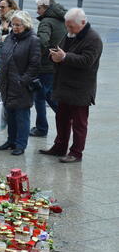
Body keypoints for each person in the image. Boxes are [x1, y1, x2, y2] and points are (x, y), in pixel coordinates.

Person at [40, 8, 103, 163]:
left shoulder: (93, 38)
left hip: (81, 88)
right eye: (67, 26)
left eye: (71, 26)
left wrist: (65, 57)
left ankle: (76, 153)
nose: (68, 29)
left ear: (83, 22)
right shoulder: (70, 34)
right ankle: (59, 147)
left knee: (79, 124)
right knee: (61, 119)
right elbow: (58, 50)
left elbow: (87, 61)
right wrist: (52, 56)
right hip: (64, 86)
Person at [0, 11, 40, 156]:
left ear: (26, 24)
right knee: (10, 114)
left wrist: (23, 80)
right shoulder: (10, 37)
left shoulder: (33, 40)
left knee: (22, 115)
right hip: (7, 83)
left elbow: (34, 64)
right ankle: (11, 140)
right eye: (13, 24)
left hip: (21, 85)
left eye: (18, 25)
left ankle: (21, 144)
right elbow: (3, 56)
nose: (14, 27)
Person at [29, 0, 67, 137]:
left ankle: (42, 128)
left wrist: (39, 55)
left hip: (46, 65)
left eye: (39, 8)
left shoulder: (46, 22)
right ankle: (64, 118)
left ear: (46, 8)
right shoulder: (62, 19)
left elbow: (42, 42)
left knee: (42, 96)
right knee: (47, 94)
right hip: (58, 63)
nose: (37, 11)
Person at [0, 0, 19, 77]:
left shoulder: (14, 20)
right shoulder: (3, 18)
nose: (0, 9)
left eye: (3, 7)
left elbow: (12, 40)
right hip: (4, 55)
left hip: (12, 58)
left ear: (11, 7)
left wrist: (5, 30)